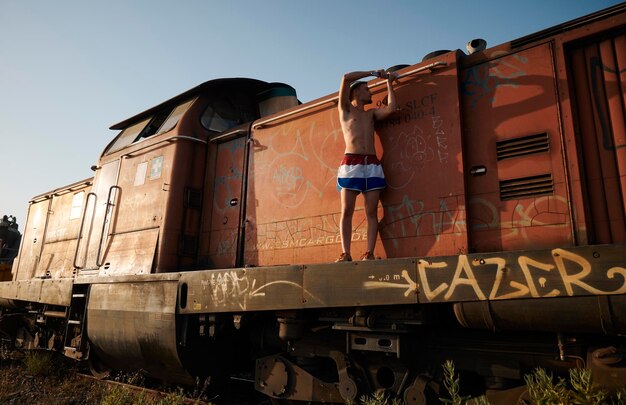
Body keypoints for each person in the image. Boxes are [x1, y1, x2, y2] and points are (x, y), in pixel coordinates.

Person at [336, 69, 398, 262]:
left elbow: (391, 109)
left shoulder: (370, 114)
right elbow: (346, 78)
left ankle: (369, 253)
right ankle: (346, 253)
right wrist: (373, 73)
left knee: (371, 212)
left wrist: (389, 82)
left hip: (371, 164)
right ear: (356, 93)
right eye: (367, 89)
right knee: (347, 211)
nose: (370, 92)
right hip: (351, 163)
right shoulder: (345, 109)